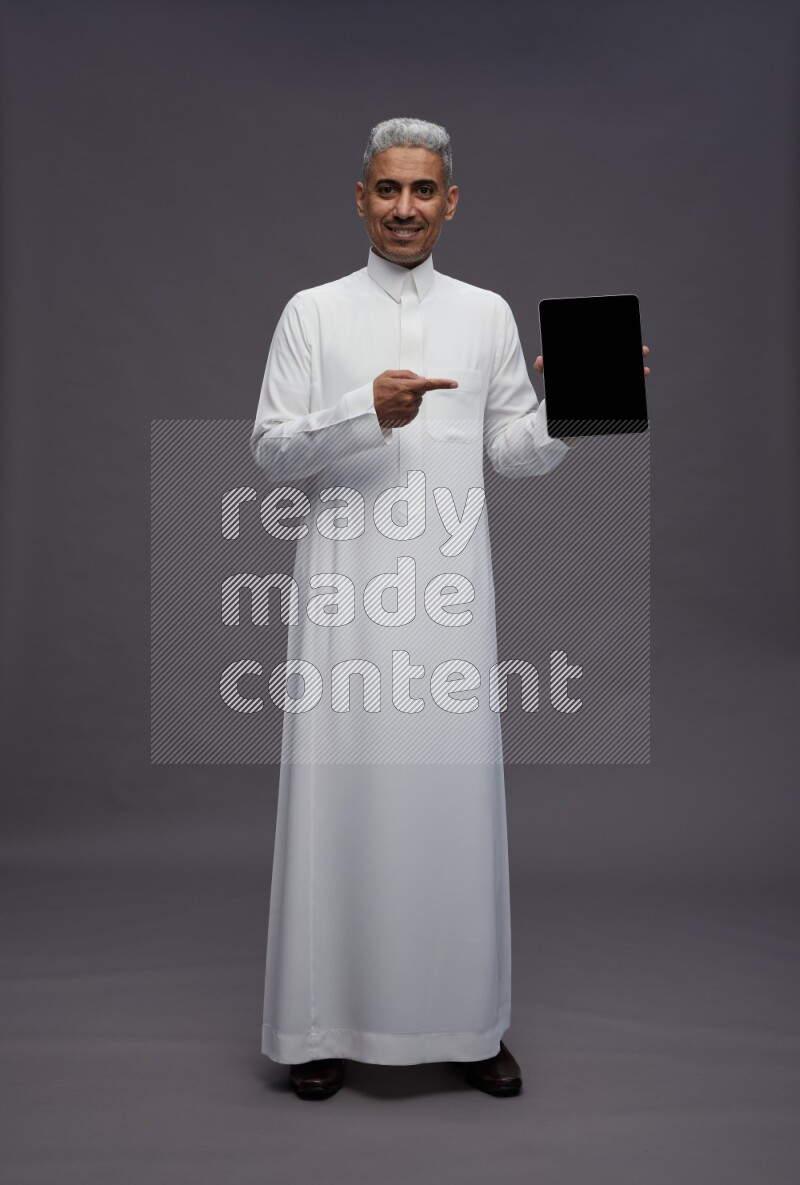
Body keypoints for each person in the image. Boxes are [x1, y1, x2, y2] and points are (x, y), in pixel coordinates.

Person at [249, 117, 651, 1100]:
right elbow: (268, 449)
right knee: (340, 800)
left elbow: (506, 450)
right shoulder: (312, 313)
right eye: (386, 190)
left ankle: (467, 1025)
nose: (403, 209)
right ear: (359, 198)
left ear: (449, 202)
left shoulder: (485, 315)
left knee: (452, 801)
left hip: (449, 598)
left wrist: (567, 412)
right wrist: (362, 413)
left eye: (421, 191)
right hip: (347, 599)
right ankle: (319, 1029)